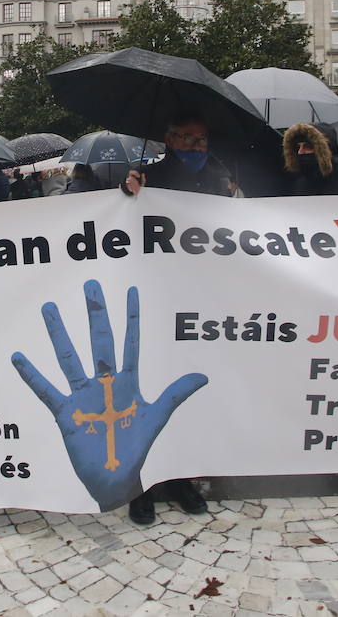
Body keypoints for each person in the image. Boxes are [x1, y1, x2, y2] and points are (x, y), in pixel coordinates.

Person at [120, 115, 224, 526]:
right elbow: (121, 219)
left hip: (198, 300)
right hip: (154, 297)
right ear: (168, 138)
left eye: (200, 138)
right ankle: (141, 485)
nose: (194, 144)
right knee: (146, 390)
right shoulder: (149, 176)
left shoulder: (219, 175)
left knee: (185, 394)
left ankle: (179, 477)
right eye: (185, 137)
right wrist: (128, 192)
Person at [279, 123, 338, 196]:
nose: (300, 152)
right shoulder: (300, 182)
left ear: (325, 150)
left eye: (308, 147)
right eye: (297, 147)